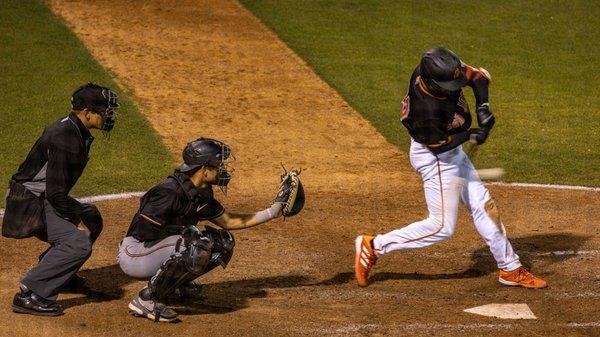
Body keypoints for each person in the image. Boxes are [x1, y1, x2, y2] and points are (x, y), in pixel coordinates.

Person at [354, 47, 547, 289]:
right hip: (435, 157)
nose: (455, 86)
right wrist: (470, 134)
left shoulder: (444, 70)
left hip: (450, 150)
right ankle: (373, 246)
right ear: (432, 83)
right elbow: (438, 146)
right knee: (441, 226)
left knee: (484, 207)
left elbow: (477, 78)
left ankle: (510, 268)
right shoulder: (424, 111)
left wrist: (482, 108)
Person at [118, 137, 299, 322]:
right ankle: (147, 299)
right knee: (195, 244)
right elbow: (143, 232)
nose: (223, 170)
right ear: (204, 170)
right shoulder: (169, 192)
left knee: (222, 244)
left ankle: (174, 285)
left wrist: (272, 211)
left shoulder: (200, 193)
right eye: (218, 166)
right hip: (136, 253)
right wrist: (182, 234)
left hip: (160, 249)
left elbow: (229, 221)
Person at [5, 83, 119, 316]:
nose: (109, 116)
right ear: (87, 113)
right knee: (78, 243)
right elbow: (56, 195)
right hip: (29, 202)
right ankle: (31, 293)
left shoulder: (74, 129)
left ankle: (59, 274)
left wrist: (81, 214)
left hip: (41, 197)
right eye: (105, 111)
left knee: (91, 219)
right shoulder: (65, 138)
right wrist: (78, 216)